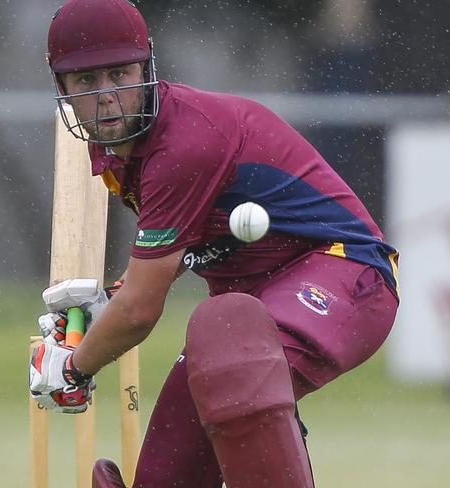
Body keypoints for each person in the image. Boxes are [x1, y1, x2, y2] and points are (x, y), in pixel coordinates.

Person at [29, 0, 400, 486]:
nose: (106, 97)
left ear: (146, 65)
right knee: (166, 474)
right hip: (253, 301)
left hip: (346, 273)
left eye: (119, 74)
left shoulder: (182, 143)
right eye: (86, 82)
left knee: (234, 366)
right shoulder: (118, 146)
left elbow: (142, 310)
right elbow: (166, 259)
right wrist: (107, 306)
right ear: (62, 88)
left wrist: (74, 368)